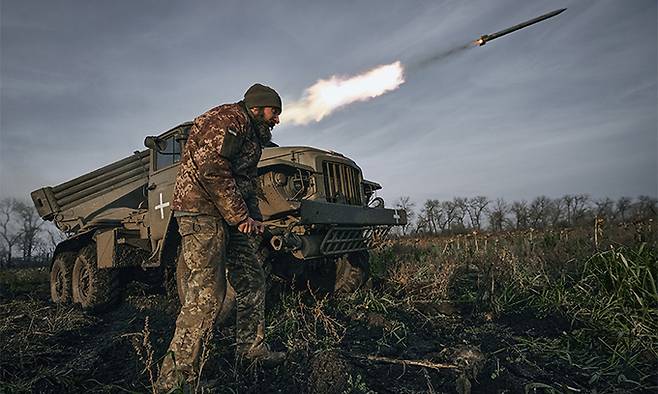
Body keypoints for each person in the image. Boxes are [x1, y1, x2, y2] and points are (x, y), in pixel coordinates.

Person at [156, 83, 285, 390]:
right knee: (206, 296)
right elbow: (211, 169)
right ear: (256, 107)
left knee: (252, 280)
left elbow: (245, 181)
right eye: (274, 111)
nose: (277, 119)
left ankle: (251, 350)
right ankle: (175, 380)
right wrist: (240, 216)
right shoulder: (227, 120)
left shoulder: (252, 134)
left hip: (228, 215)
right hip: (201, 212)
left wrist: (253, 218)